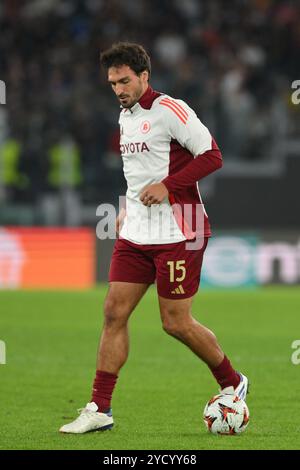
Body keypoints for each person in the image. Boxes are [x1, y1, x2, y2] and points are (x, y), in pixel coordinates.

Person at [59, 42, 248, 434]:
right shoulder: (124, 117)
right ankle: (100, 408)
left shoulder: (171, 110)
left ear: (145, 76)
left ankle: (232, 381)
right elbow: (137, 173)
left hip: (180, 230)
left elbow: (213, 155)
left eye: (125, 80)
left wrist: (166, 185)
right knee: (114, 312)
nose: (118, 89)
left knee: (175, 323)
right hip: (136, 232)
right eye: (112, 83)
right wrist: (129, 205)